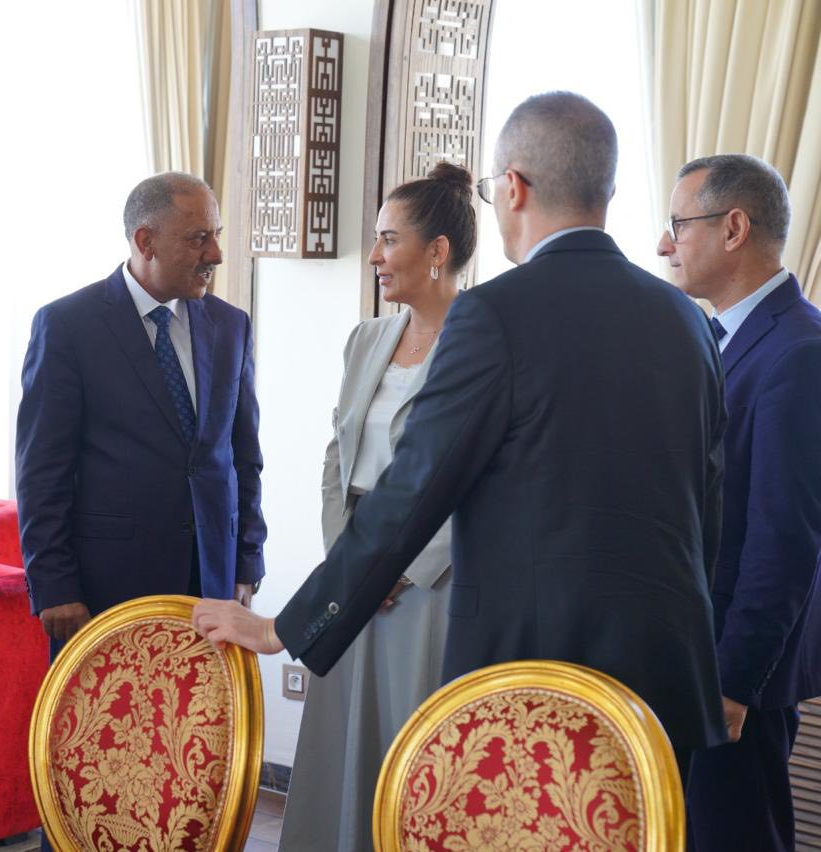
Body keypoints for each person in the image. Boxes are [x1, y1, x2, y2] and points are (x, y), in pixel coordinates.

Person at [194, 92, 727, 775]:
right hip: (665, 678)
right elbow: (709, 506)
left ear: (514, 187)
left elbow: (412, 490)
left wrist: (284, 628)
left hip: (532, 679)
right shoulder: (687, 319)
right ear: (607, 191)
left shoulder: (495, 314)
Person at [281, 162, 475, 852]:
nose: (374, 256)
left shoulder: (481, 343)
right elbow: (338, 454)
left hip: (428, 578)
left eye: (389, 240)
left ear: (437, 251)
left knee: (408, 737)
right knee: (341, 746)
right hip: (355, 561)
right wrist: (349, 559)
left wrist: (397, 568)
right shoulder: (366, 338)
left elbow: (476, 479)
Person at [16, 172, 266, 652]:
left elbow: (243, 456)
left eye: (216, 235)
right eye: (199, 238)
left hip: (211, 584)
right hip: (106, 589)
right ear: (146, 241)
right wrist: (54, 583)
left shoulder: (231, 326)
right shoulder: (68, 325)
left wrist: (247, 563)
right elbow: (41, 470)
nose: (215, 253)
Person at [658, 154, 821, 851]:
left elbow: (785, 539)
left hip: (736, 675)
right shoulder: (720, 335)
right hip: (696, 656)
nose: (663, 245)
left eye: (677, 225)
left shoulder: (800, 351)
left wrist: (734, 683)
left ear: (733, 228)